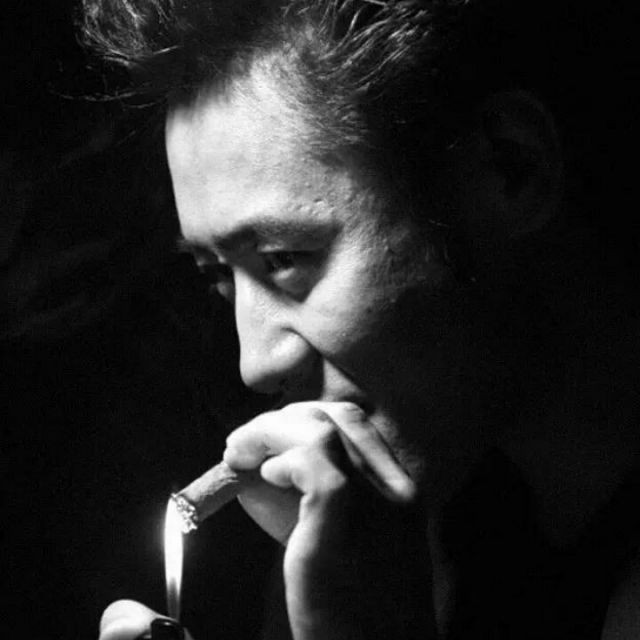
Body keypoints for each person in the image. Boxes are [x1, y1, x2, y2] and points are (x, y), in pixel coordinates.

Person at [80, 1, 640, 638]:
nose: (255, 365)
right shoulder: (383, 555)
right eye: (218, 276)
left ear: (508, 170)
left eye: (284, 258)